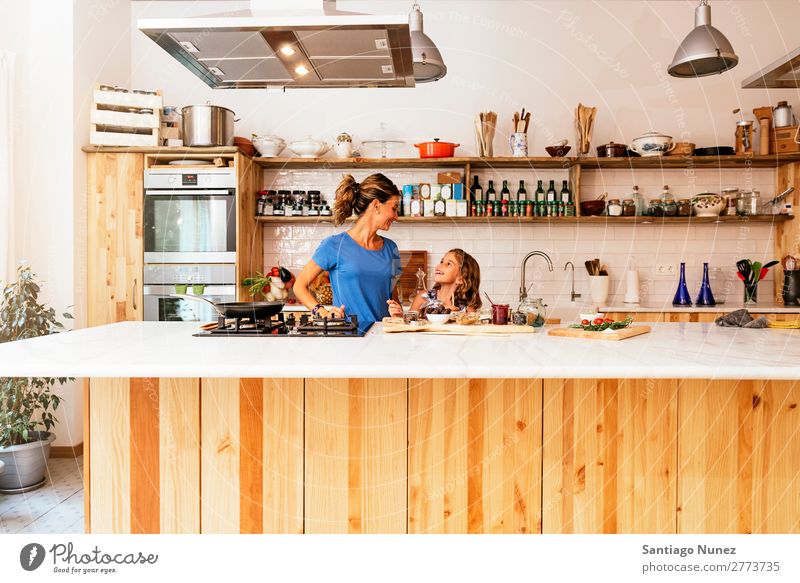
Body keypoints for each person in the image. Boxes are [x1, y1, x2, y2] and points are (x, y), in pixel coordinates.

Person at [294, 173, 402, 331]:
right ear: (377, 205)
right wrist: (321, 311)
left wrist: (397, 312)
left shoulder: (391, 248)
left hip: (383, 336)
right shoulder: (333, 245)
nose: (396, 216)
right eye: (394, 208)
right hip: (347, 337)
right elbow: (299, 286)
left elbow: (393, 298)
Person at [388, 248, 482, 316]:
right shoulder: (423, 297)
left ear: (461, 278)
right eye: (442, 261)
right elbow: (409, 326)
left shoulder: (467, 309)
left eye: (449, 264)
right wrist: (398, 316)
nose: (440, 265)